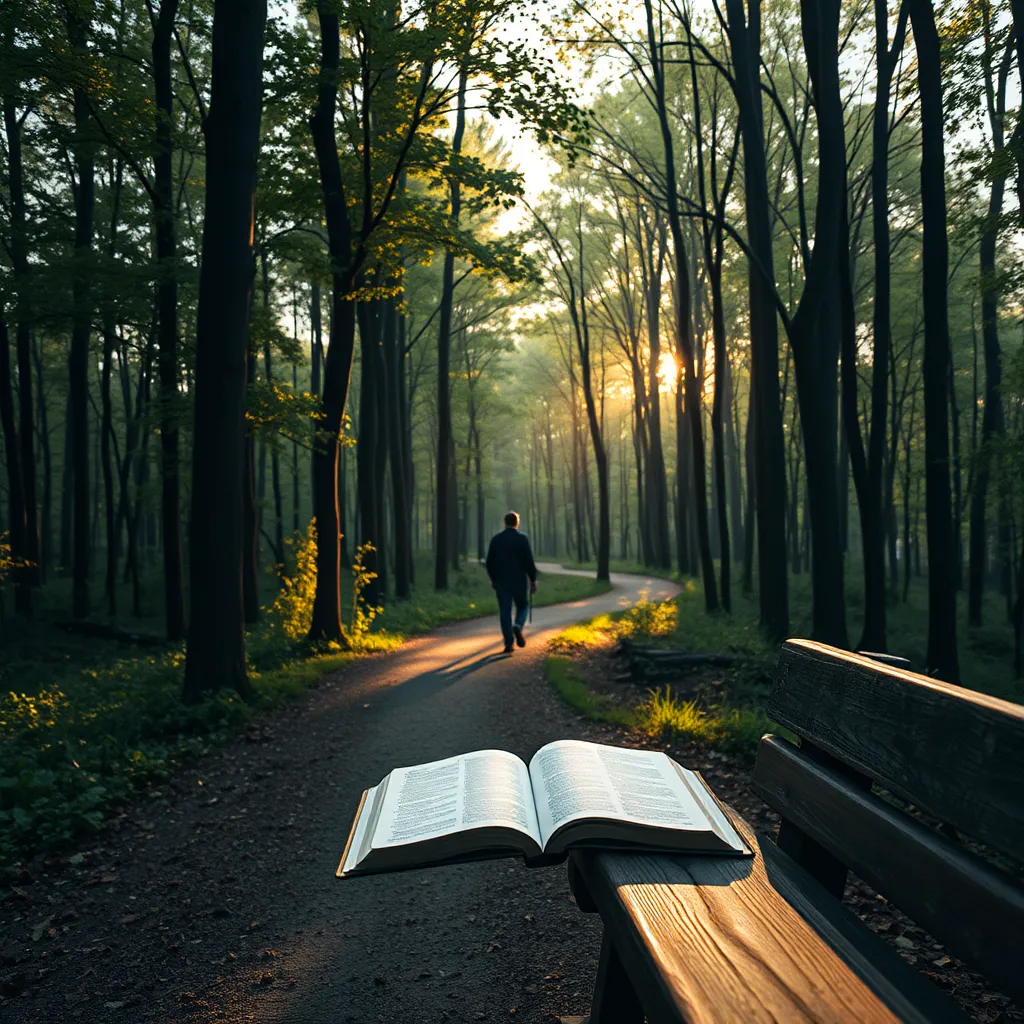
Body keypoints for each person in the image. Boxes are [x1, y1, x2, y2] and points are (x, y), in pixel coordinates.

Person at [485, 511, 538, 653]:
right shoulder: (522, 539)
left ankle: (509, 643)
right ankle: (518, 625)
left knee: (505, 611)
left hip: (502, 581)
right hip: (519, 580)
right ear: (517, 522)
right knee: (523, 605)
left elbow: (489, 562)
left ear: (504, 522)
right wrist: (533, 579)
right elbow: (529, 562)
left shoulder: (496, 539)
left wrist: (494, 579)